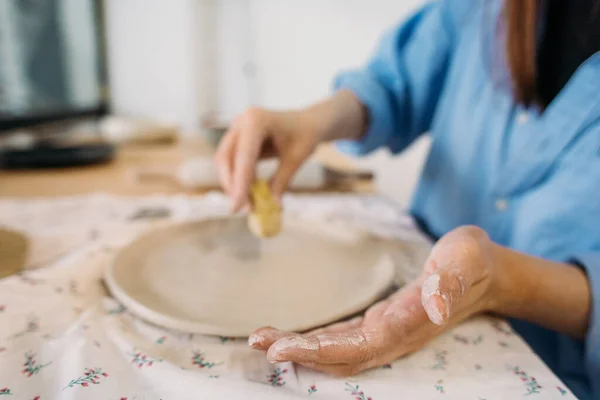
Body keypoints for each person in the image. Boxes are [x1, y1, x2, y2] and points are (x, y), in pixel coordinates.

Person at [215, 1, 600, 399]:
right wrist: (313, 121)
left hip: (551, 370)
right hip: (406, 285)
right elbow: (392, 85)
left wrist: (502, 280)